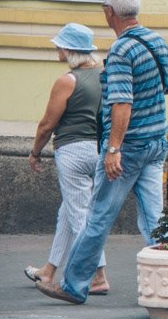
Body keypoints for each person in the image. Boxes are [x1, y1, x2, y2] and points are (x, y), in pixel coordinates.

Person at [36, 0, 168, 305]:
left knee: (99, 215)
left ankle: (74, 286)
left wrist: (113, 149)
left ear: (108, 11)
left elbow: (121, 104)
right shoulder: (157, 41)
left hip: (129, 147)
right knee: (155, 217)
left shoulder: (121, 51)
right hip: (157, 142)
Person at [23, 23, 109, 294]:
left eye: (60, 46)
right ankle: (48, 271)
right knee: (68, 213)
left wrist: (35, 152)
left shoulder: (67, 81)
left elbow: (47, 123)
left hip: (72, 151)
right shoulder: (104, 74)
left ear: (71, 50)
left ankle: (98, 276)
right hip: (99, 150)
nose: (57, 49)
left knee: (80, 216)